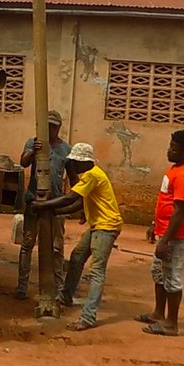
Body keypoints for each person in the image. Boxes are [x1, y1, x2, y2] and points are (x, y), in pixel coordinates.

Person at [33, 143, 123, 330]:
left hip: (106, 227)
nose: (73, 166)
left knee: (97, 272)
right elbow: (80, 203)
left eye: (75, 162)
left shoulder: (92, 176)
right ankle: (66, 296)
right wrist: (55, 212)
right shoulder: (91, 175)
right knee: (77, 257)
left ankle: (88, 317)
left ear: (84, 162)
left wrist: (44, 206)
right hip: (98, 225)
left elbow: (70, 198)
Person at [135, 130, 184, 337]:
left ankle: (171, 324)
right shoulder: (174, 170)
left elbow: (179, 211)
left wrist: (165, 241)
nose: (169, 150)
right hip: (165, 233)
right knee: (159, 273)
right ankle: (158, 313)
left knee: (172, 278)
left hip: (177, 237)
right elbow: (166, 204)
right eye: (170, 146)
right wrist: (156, 226)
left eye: (174, 148)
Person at [15, 110, 70, 299]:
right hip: (34, 201)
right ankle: (22, 285)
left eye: (53, 126)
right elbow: (23, 162)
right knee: (27, 244)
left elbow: (72, 176)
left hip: (56, 204)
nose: (50, 129)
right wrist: (33, 151)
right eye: (47, 126)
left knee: (56, 247)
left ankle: (58, 288)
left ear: (58, 128)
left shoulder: (66, 149)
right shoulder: (33, 143)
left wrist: (78, 201)